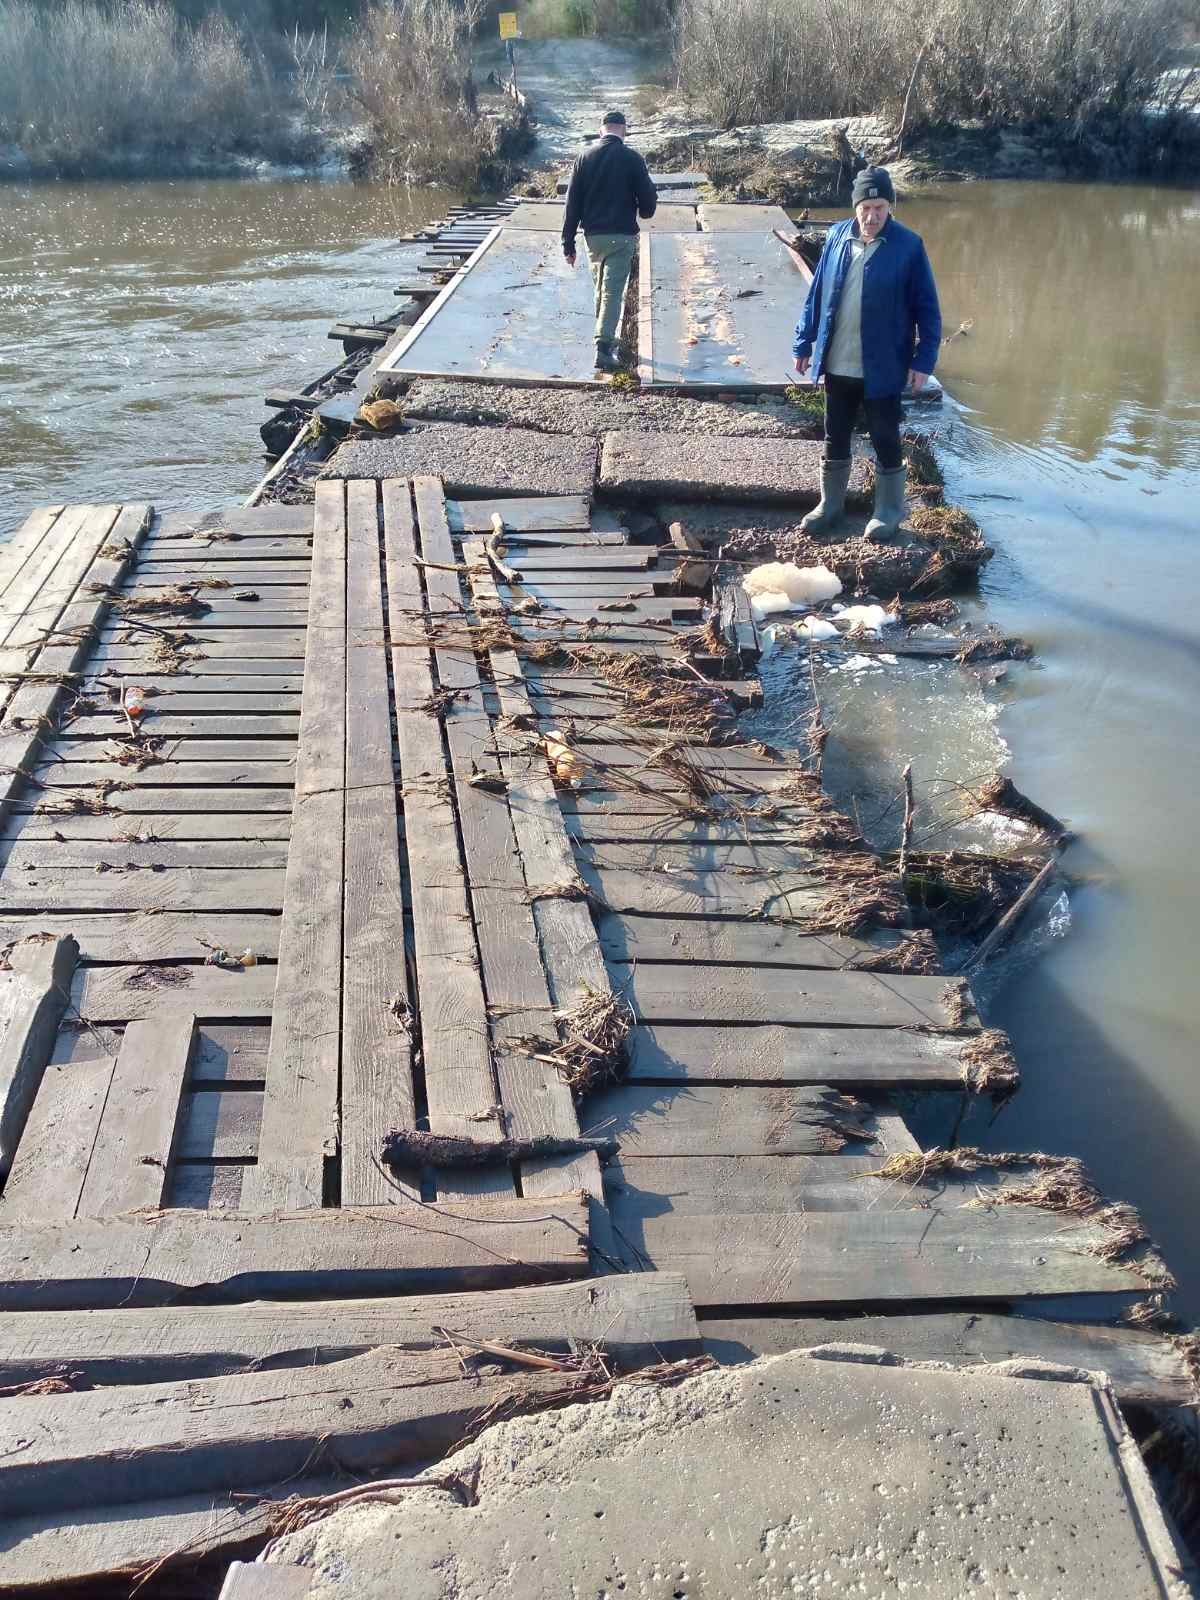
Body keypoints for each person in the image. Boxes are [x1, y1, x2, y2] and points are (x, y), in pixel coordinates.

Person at [792, 166, 941, 540]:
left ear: (889, 207)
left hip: (883, 365)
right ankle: (831, 506)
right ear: (855, 206)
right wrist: (803, 341)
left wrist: (923, 361)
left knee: (885, 435)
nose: (872, 216)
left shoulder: (909, 246)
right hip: (838, 360)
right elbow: (817, 294)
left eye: (880, 207)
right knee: (835, 434)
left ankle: (888, 510)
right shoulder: (838, 236)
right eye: (866, 207)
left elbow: (928, 309)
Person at [562, 110, 657, 373]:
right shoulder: (633, 159)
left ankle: (603, 338)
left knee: (601, 290)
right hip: (621, 236)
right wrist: (646, 211)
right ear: (624, 130)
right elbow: (647, 199)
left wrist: (567, 243)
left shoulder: (584, 157)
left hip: (592, 238)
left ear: (600, 129)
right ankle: (603, 348)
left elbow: (571, 205)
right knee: (613, 292)